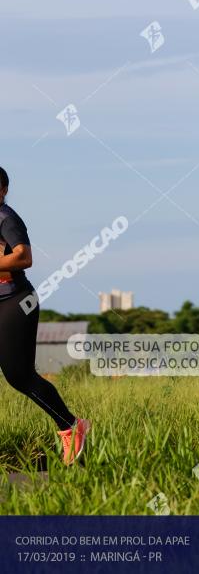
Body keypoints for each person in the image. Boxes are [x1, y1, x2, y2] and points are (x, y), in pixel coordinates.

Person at [0, 166, 90, 465]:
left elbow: (24, 257)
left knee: (19, 376)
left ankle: (70, 426)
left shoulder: (6, 218)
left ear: (3, 191)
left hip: (14, 302)